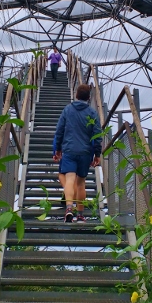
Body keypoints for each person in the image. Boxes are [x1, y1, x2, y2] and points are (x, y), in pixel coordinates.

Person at [53, 84, 102, 223]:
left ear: (76, 95)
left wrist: (58, 148)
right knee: (81, 183)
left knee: (69, 180)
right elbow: (97, 135)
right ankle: (80, 214)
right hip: (85, 152)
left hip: (69, 149)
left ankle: (69, 208)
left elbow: (59, 130)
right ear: (88, 97)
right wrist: (97, 154)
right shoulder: (92, 113)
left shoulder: (67, 110)